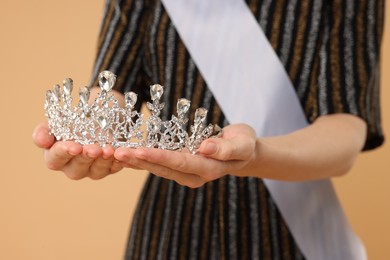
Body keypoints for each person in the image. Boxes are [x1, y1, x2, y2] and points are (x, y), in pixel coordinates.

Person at [33, 0, 385, 259]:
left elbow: (345, 125)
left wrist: (256, 156)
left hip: (290, 238)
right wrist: (93, 129)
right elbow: (111, 87)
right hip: (168, 235)